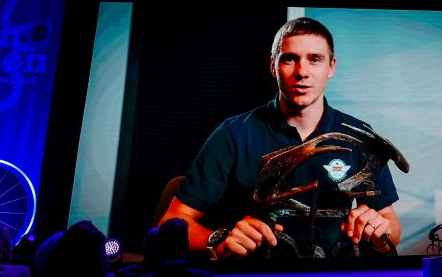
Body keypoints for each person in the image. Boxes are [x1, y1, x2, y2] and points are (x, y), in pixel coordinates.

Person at [160, 17, 401, 259]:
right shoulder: (234, 134)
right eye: (290, 59)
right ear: (273, 66)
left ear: (331, 67)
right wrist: (219, 240)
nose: (302, 72)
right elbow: (171, 223)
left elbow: (390, 222)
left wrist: (381, 232)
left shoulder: (358, 136)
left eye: (315, 59)